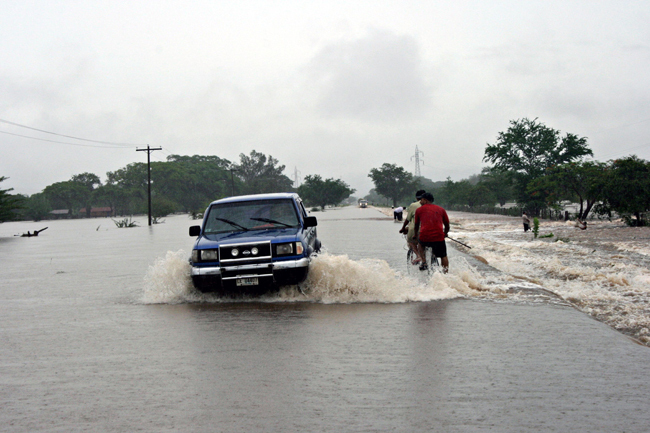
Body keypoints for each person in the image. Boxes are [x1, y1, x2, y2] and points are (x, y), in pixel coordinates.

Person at [413, 192, 450, 273]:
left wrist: (415, 235)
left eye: (421, 200)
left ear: (425, 200)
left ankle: (424, 262)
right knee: (443, 256)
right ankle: (445, 273)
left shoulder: (419, 210)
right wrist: (445, 233)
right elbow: (447, 225)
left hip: (425, 237)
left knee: (420, 245)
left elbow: (416, 225)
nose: (420, 202)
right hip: (438, 236)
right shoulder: (441, 209)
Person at [399, 190, 426, 264]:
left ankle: (418, 255)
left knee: (411, 241)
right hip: (429, 229)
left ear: (417, 198)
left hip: (416, 229)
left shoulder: (413, 205)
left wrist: (403, 228)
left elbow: (408, 219)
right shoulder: (432, 205)